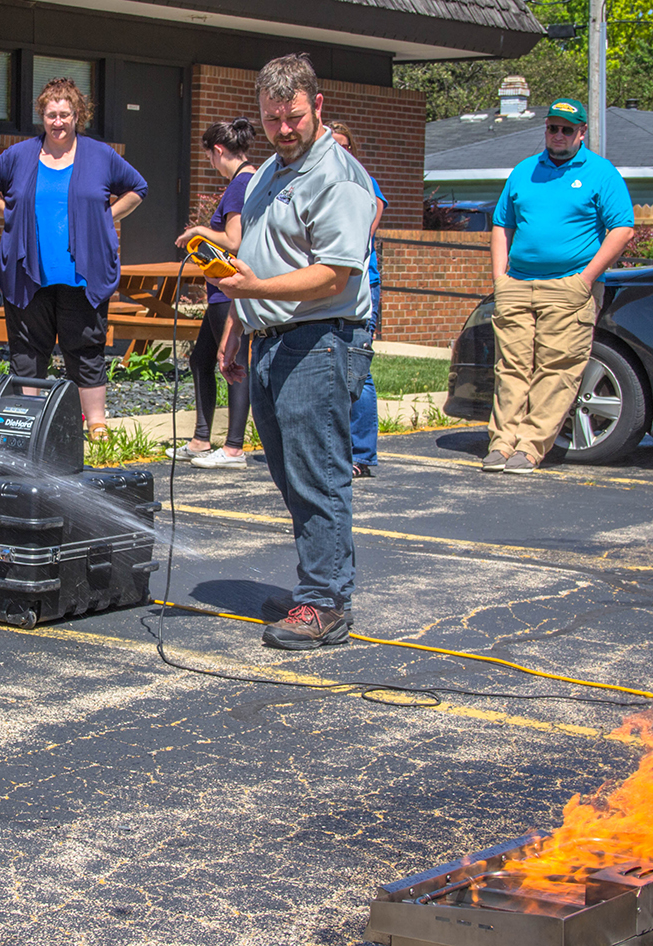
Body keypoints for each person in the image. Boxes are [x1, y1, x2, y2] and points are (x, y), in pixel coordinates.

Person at [213, 53, 377, 650]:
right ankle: (319, 585)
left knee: (318, 475)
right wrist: (238, 328)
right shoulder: (264, 176)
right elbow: (252, 261)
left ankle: (326, 601)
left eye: (295, 117)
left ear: (318, 107)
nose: (285, 129)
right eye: (273, 118)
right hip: (270, 339)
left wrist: (254, 291)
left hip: (321, 338)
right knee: (290, 474)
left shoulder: (339, 176)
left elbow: (334, 274)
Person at [0, 77, 147, 441]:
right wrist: (8, 213)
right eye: (51, 115)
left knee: (86, 347)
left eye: (65, 115)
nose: (58, 122)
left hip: (81, 273)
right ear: (42, 116)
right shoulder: (20, 154)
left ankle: (97, 425)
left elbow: (139, 188)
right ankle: (32, 424)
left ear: (78, 116)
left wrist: (106, 217)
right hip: (30, 272)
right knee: (27, 349)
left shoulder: (100, 155)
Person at [484, 98, 634, 474]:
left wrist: (585, 279)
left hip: (568, 288)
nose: (559, 135)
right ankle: (501, 444)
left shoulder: (601, 173)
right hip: (517, 284)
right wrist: (500, 278)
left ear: (581, 132)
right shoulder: (524, 171)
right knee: (511, 368)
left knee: (556, 369)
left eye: (567, 129)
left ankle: (530, 448)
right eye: (553, 128)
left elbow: (622, 229)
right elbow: (502, 223)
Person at [172, 118, 257, 471]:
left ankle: (234, 448)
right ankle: (201, 439)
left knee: (232, 364)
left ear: (218, 151)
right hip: (220, 290)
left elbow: (234, 240)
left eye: (209, 156)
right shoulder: (251, 180)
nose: (211, 163)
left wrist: (199, 231)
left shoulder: (240, 184)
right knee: (200, 360)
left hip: (229, 289)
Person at [328, 121, 386, 480]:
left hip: (363, 284)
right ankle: (336, 451)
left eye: (345, 145)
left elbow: (364, 229)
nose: (339, 151)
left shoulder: (360, 180)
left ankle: (362, 454)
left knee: (358, 371)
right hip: (331, 290)